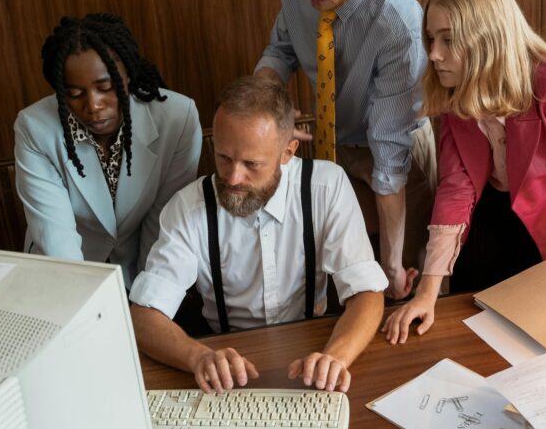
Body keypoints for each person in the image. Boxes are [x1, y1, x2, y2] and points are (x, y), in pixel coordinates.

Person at [383, 0, 546, 344]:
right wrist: (427, 292)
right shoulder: (454, 87)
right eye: (430, 39)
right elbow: (455, 190)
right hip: (488, 216)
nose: (434, 55)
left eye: (448, 40)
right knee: (480, 335)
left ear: (486, 39)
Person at [129, 77, 387, 394]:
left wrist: (336, 357)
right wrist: (197, 357)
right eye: (224, 158)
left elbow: (367, 293)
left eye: (251, 163)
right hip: (226, 369)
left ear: (288, 151)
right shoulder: (188, 207)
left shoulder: (327, 186)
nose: (233, 177)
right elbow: (144, 315)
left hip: (313, 355)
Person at [254, 0, 435, 300]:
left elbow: (390, 161)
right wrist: (270, 107)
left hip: (400, 158)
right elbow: (281, 49)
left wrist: (392, 267)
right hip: (334, 142)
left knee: (395, 287)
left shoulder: (398, 25)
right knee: (335, 279)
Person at [15, 13, 201, 289]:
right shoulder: (35, 128)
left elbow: (163, 223)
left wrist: (145, 300)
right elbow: (57, 239)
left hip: (140, 263)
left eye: (106, 87)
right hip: (62, 276)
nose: (94, 105)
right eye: (75, 94)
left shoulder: (178, 117)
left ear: (127, 74)